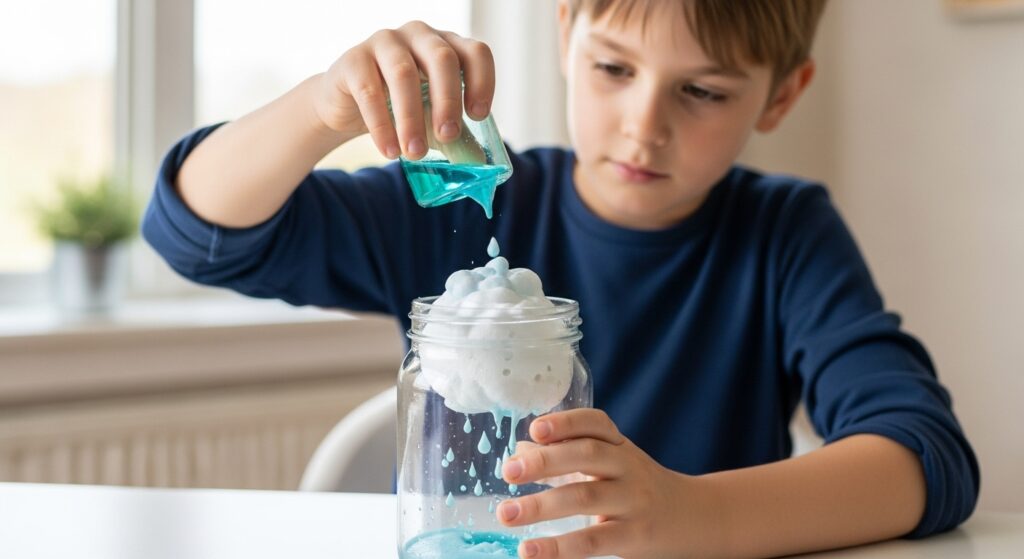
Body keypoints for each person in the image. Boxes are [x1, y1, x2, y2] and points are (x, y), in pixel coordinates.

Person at [142, 1, 980, 557]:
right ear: (564, 37)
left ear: (781, 95)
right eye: (614, 69)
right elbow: (196, 233)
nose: (643, 126)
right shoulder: (467, 207)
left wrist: (690, 513)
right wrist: (320, 110)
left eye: (702, 90)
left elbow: (926, 456)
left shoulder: (784, 235)